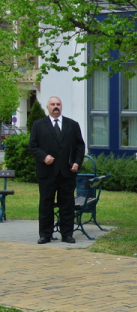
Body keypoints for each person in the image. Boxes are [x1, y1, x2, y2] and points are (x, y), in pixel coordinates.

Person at [28, 96, 85, 244]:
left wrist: (77, 163)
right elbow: (33, 146)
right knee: (46, 204)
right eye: (52, 104)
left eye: (58, 104)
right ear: (47, 107)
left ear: (61, 106)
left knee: (67, 204)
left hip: (67, 172)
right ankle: (45, 235)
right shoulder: (38, 125)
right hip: (47, 172)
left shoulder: (72, 125)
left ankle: (67, 234)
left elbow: (80, 146)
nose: (56, 106)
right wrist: (43, 156)